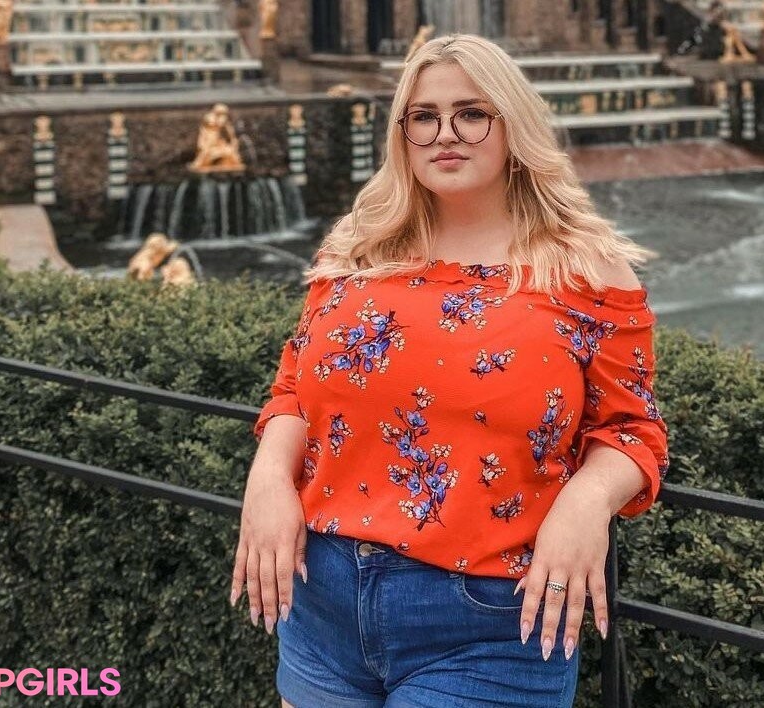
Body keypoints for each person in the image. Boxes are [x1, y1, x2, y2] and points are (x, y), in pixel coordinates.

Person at [230, 33, 670, 708]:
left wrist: (587, 502)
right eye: (424, 116)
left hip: (488, 620)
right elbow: (294, 390)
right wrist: (267, 480)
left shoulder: (585, 270)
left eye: (471, 113)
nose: (446, 134)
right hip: (320, 600)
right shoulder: (357, 249)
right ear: (402, 134)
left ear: (513, 125)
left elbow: (632, 430)